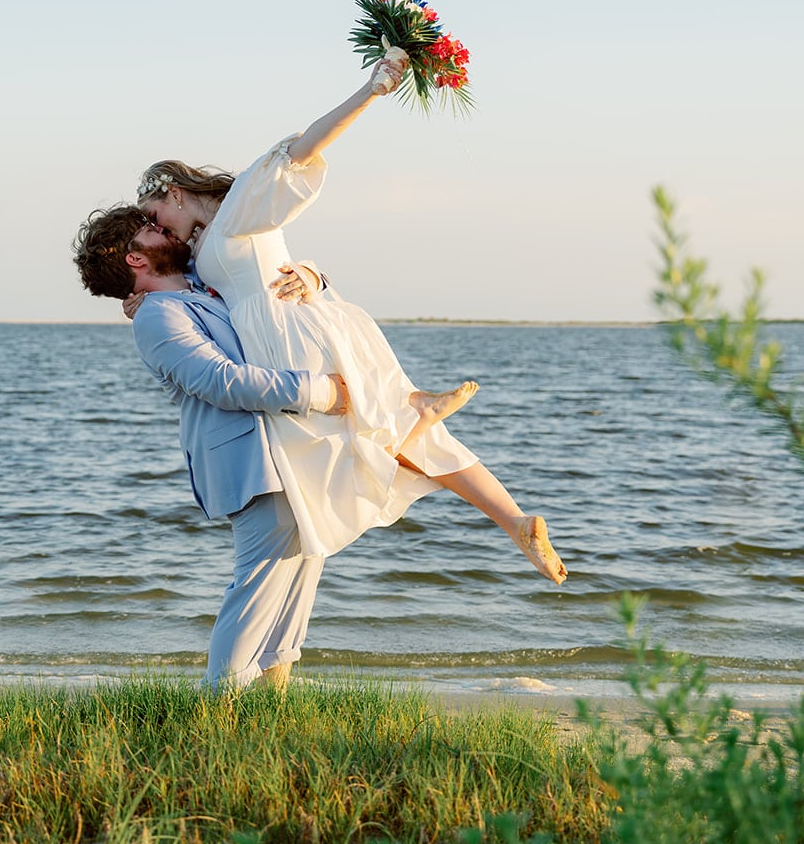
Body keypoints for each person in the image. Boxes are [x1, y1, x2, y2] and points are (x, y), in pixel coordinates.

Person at [133, 49, 567, 583]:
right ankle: (512, 518)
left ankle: (418, 415)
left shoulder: (240, 203)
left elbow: (303, 148)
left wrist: (371, 90)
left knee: (346, 452)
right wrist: (142, 297)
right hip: (284, 330)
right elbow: (205, 291)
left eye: (156, 216)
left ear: (174, 192)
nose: (162, 230)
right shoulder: (204, 247)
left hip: (291, 333)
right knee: (373, 442)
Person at [72, 207, 353, 689]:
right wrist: (325, 393)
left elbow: (264, 275)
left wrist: (312, 277)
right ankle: (217, 708)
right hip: (250, 460)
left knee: (298, 580)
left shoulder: (200, 287)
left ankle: (273, 705)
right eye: (152, 230)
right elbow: (218, 381)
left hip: (291, 448)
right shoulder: (157, 316)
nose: (166, 228)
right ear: (136, 259)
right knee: (258, 587)